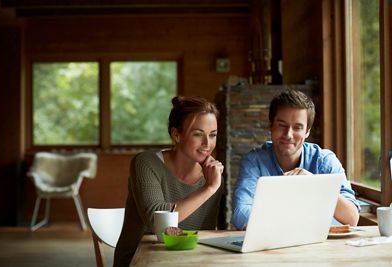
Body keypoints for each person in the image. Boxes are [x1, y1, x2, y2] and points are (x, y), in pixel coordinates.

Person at [113, 95, 224, 266]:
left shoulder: (213, 177)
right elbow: (156, 219)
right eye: (197, 134)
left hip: (186, 262)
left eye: (213, 135)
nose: (207, 143)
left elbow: (203, 233)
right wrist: (209, 189)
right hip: (139, 262)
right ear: (176, 135)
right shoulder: (146, 163)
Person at [231, 89, 360, 230]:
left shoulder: (325, 161)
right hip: (271, 246)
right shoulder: (254, 161)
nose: (288, 134)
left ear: (307, 131)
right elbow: (240, 213)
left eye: (297, 127)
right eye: (282, 125)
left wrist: (316, 185)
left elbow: (352, 218)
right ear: (270, 126)